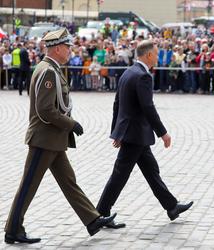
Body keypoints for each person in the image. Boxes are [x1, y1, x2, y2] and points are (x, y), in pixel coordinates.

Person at [4, 28, 116, 245]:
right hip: (44, 139)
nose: (69, 50)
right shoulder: (48, 71)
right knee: (28, 185)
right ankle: (12, 229)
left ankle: (92, 219)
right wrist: (71, 124)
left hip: (53, 140)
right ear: (57, 49)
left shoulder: (49, 68)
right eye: (67, 47)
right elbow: (45, 109)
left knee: (69, 182)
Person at [96, 40, 193, 229]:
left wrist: (117, 131)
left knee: (151, 171)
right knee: (120, 175)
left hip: (133, 134)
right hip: (136, 135)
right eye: (156, 54)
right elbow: (148, 107)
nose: (157, 57)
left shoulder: (128, 72)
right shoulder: (143, 76)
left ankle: (171, 207)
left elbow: (117, 104)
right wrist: (163, 133)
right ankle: (100, 213)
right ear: (148, 55)